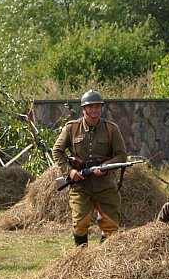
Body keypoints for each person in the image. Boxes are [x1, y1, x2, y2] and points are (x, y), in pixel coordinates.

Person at [52, 89, 128, 246]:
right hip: (81, 185)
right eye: (90, 107)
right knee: (80, 224)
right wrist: (70, 171)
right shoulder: (71, 128)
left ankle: (101, 258)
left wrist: (105, 167)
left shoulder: (111, 128)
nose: (94, 110)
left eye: (97, 107)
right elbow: (57, 151)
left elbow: (121, 155)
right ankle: (81, 257)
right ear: (83, 109)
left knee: (111, 225)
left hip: (105, 185)